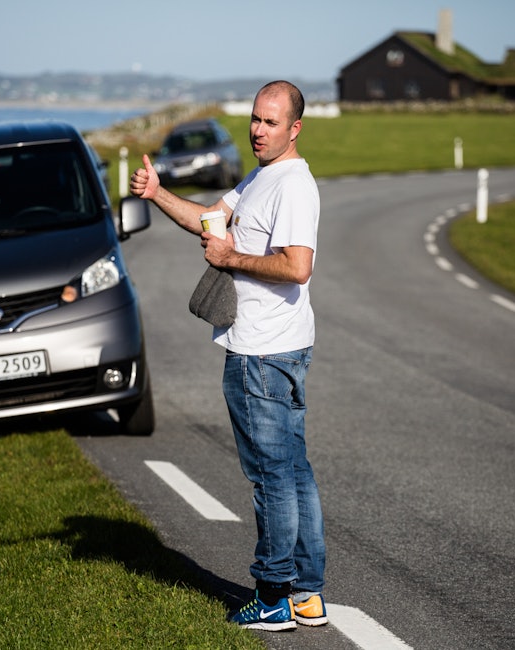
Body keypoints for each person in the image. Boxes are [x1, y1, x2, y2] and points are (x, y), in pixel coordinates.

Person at [129, 80, 326, 632]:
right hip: (269, 346)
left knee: (271, 477)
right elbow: (209, 219)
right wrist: (158, 194)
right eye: (255, 120)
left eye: (271, 122)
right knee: (293, 471)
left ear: (295, 128)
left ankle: (273, 595)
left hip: (264, 352)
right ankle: (307, 594)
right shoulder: (260, 179)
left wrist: (232, 256)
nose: (258, 131)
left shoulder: (293, 186)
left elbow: (296, 266)